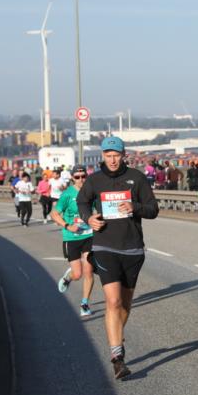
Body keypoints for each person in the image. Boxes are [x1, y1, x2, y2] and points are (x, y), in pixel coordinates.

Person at [77, 136, 159, 380]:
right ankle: (117, 356)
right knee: (112, 302)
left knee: (124, 304)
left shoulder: (137, 177)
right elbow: (83, 201)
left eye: (116, 155)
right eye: (108, 155)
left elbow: (153, 209)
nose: (112, 160)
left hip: (132, 249)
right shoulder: (94, 180)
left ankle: (116, 335)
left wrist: (135, 206)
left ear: (124, 155)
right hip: (104, 246)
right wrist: (88, 218)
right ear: (102, 156)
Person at [52, 165, 95, 317]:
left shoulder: (91, 192)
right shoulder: (67, 195)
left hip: (89, 235)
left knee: (88, 270)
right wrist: (68, 226)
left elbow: (99, 210)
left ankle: (84, 303)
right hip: (72, 237)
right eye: (77, 177)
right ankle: (68, 277)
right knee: (78, 274)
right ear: (72, 178)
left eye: (83, 176)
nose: (81, 179)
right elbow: (55, 214)